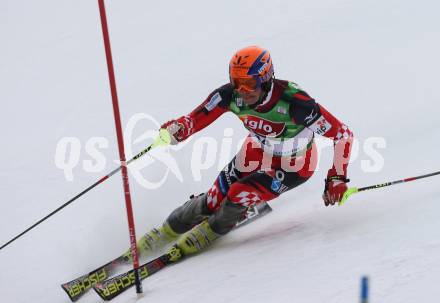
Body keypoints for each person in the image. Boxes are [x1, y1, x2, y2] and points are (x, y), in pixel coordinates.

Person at [126, 45, 354, 262]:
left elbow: (343, 134)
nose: (242, 91)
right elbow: (194, 119)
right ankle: (167, 229)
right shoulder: (229, 96)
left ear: (265, 79)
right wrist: (178, 130)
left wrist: (336, 177)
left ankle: (215, 228)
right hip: (255, 152)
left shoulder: (295, 102)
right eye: (236, 82)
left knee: (238, 193)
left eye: (249, 83)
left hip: (294, 166)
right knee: (213, 200)